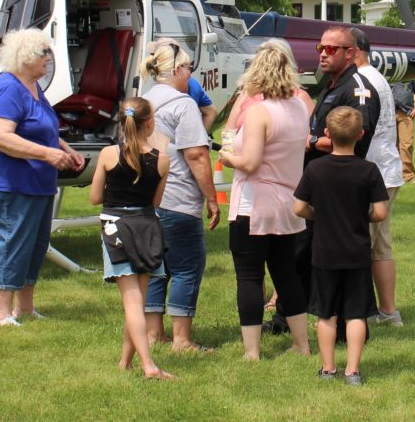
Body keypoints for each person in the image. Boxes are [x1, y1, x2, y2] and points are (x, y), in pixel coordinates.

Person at [267, 26, 380, 336]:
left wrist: (311, 141)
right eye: (321, 48)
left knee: (331, 256)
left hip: (338, 186)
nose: (323, 54)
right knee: (301, 254)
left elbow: (354, 139)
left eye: (332, 49)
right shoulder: (332, 85)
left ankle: (344, 323)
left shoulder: (357, 89)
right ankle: (291, 318)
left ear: (351, 52)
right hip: (320, 181)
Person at [0, 28, 85, 326]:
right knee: (14, 242)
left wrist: (67, 149)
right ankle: (2, 312)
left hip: (39, 181)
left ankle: (25, 308)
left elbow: (44, 128)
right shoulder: (8, 88)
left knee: (36, 244)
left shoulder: (33, 88)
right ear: (25, 56)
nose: (48, 59)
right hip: (13, 181)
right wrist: (47, 154)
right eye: (44, 53)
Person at [219, 40, 312, 361]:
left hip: (253, 205)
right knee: (286, 274)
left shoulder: (259, 111)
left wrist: (228, 157)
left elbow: (251, 162)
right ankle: (302, 344)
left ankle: (252, 351)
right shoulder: (299, 107)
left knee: (248, 276)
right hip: (288, 204)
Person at [293, 106, 389, 386]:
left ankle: (327, 369)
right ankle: (353, 370)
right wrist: (363, 216)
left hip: (324, 253)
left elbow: (299, 207)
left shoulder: (315, 168)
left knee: (326, 314)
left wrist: (317, 214)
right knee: (356, 313)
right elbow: (380, 213)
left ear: (326, 134)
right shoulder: (368, 170)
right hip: (357, 252)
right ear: (360, 134)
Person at [141, 40, 220, 352]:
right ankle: (182, 339)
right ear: (176, 70)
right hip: (177, 198)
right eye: (188, 67)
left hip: (146, 199)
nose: (190, 72)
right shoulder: (183, 103)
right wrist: (212, 198)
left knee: (154, 266)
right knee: (187, 267)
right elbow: (198, 155)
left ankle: (152, 333)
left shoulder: (142, 101)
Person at [88, 96, 173, 379]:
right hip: (147, 226)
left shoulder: (109, 155)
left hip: (116, 226)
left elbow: (94, 197)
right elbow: (156, 201)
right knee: (139, 299)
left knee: (132, 302)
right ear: (150, 123)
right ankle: (125, 362)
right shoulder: (162, 160)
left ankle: (148, 366)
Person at [350, 27, 405, 327]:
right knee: (381, 245)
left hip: (374, 174)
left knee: (359, 245)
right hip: (387, 170)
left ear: (355, 51)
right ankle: (388, 311)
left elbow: (361, 132)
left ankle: (361, 312)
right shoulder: (377, 78)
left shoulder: (363, 81)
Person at [391, 78, 415, 184]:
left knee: (406, 145)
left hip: (406, 113)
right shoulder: (387, 71)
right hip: (388, 113)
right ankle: (393, 175)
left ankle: (408, 176)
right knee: (391, 146)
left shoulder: (409, 71)